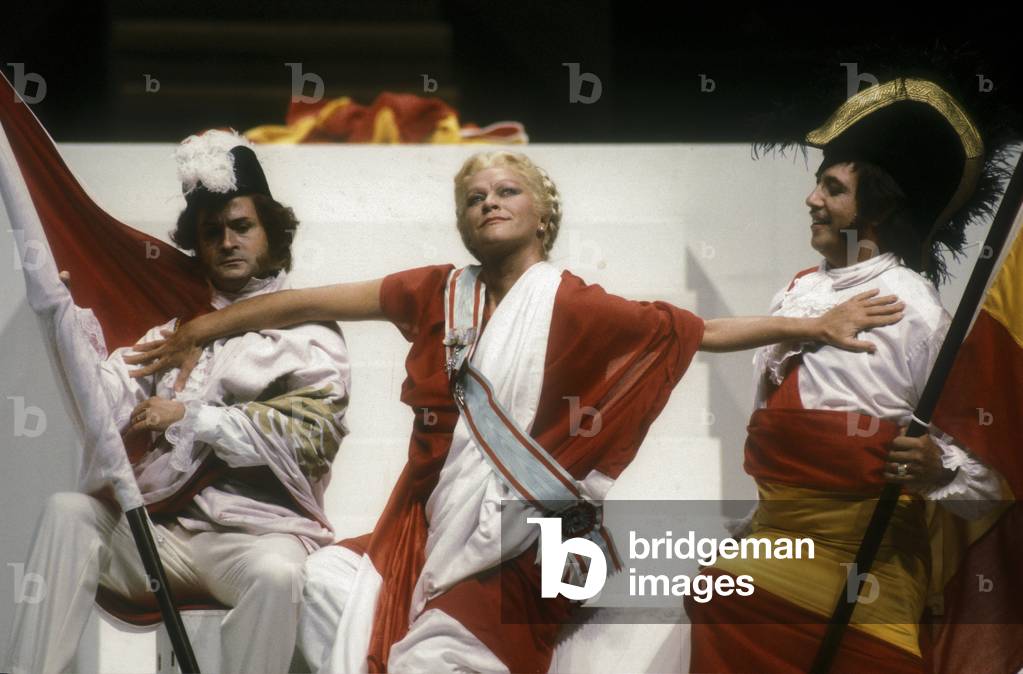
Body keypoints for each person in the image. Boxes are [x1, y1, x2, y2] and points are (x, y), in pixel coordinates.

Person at [127, 149, 903, 673]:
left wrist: (811, 325)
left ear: (541, 214)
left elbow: (694, 330)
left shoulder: (573, 304)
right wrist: (200, 327)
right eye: (473, 197)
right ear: (462, 222)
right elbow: (303, 302)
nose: (488, 202)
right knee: (326, 579)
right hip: (426, 527)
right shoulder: (435, 289)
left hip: (528, 540)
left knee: (433, 659)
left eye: (506, 191)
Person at [685, 78, 1005, 673]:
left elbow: (993, 481)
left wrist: (940, 470)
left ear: (879, 209)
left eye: (833, 187)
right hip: (766, 564)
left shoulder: (919, 313)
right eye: (818, 183)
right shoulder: (798, 292)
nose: (811, 199)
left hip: (865, 580)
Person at [4, 130, 351, 674]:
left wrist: (194, 416)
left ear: (272, 233)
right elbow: (104, 401)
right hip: (162, 537)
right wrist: (61, 321)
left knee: (280, 575)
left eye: (242, 227)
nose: (228, 242)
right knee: (68, 513)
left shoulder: (309, 332)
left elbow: (311, 436)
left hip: (254, 539)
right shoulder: (175, 332)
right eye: (212, 233)